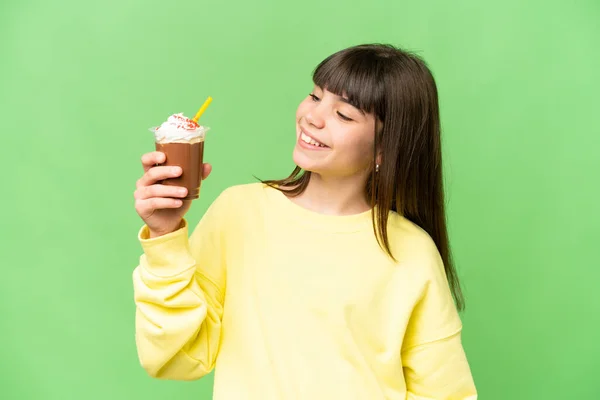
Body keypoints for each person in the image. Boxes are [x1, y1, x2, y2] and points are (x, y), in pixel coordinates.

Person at [132, 43, 477, 399]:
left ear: (384, 150)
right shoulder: (238, 212)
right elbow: (173, 358)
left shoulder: (412, 251)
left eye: (344, 114)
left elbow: (445, 394)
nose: (313, 117)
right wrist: (165, 234)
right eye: (315, 96)